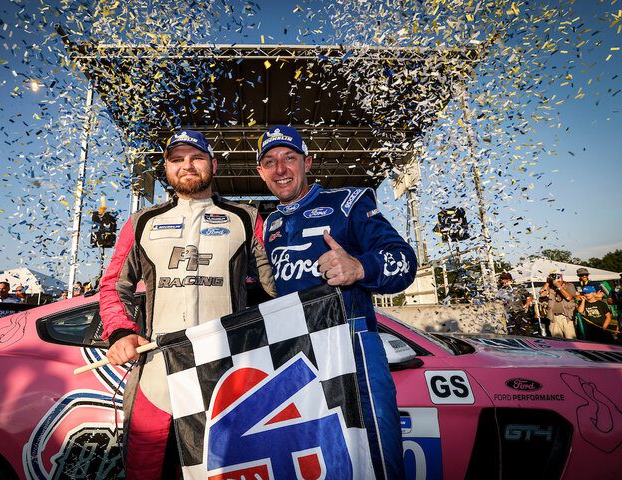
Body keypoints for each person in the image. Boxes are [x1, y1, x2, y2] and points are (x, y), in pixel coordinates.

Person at [99, 129, 275, 480]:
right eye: (177, 159)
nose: (187, 166)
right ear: (166, 168)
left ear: (213, 163)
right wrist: (120, 332)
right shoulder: (141, 222)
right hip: (156, 372)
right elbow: (112, 285)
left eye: (196, 157)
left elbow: (276, 288)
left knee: (223, 471)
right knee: (146, 471)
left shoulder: (247, 217)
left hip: (228, 373)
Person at [255, 125, 416, 480]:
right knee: (311, 462)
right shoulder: (269, 226)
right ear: (260, 173)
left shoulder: (349, 202)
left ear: (307, 163)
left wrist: (359, 267)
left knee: (377, 459)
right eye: (270, 161)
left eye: (289, 158)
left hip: (352, 345)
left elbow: (404, 261)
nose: (280, 169)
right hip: (297, 357)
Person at [539, 271, 577, 339]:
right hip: (553, 317)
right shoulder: (550, 286)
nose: (554, 278)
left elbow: (569, 297)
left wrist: (559, 286)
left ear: (560, 276)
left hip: (566, 316)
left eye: (555, 276)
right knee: (557, 340)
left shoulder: (569, 285)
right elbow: (542, 294)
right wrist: (547, 282)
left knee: (570, 338)